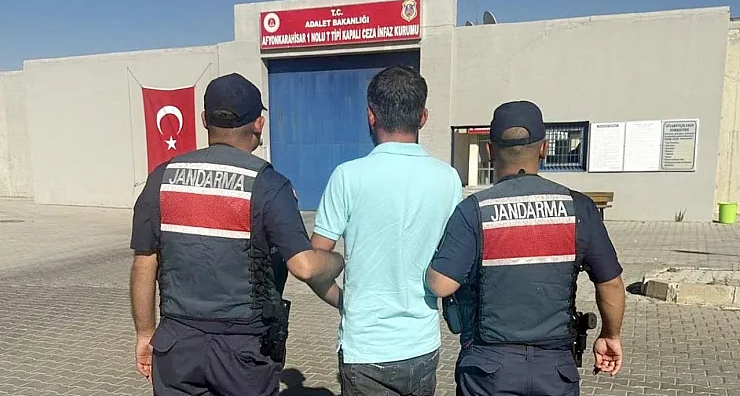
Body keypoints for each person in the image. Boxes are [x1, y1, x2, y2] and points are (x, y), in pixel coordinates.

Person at [129, 73, 344, 396]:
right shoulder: (269, 184)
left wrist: (145, 334)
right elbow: (305, 266)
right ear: (259, 124)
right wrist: (337, 260)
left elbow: (144, 263)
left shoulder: (163, 178)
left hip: (176, 346)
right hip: (243, 352)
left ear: (205, 119)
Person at [426, 100, 626, 396]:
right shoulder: (579, 208)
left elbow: (441, 285)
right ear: (544, 148)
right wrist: (610, 335)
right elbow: (611, 283)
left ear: (489, 150)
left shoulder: (473, 210)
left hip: (489, 370)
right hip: (554, 369)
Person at [309, 66, 463, 396]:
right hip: (421, 344)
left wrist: (340, 299)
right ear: (423, 117)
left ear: (371, 115)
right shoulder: (448, 178)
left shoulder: (347, 176)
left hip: (365, 348)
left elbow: (314, 260)